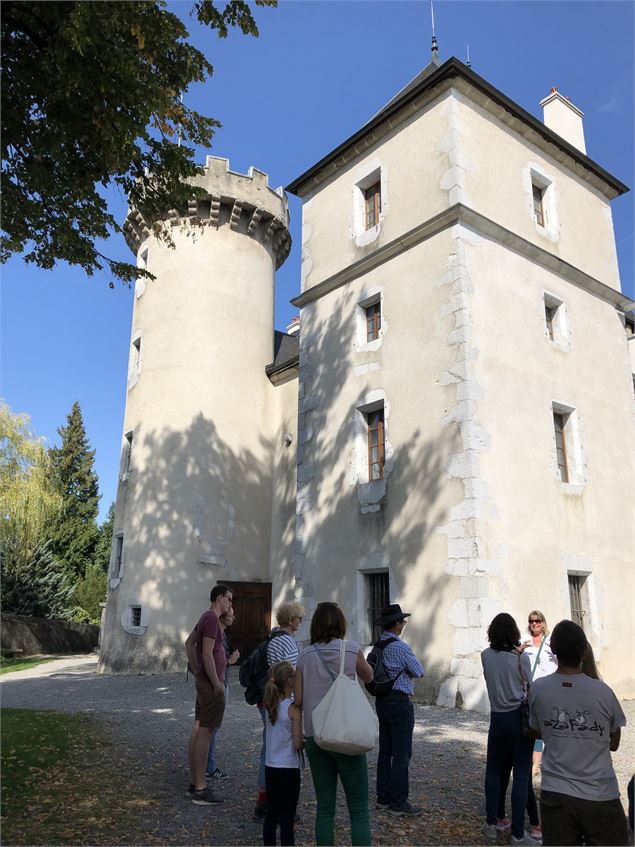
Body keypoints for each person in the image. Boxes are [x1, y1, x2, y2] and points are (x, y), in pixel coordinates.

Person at [528, 620, 628, 847]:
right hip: (600, 792)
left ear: (553, 650)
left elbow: (537, 729)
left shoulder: (539, 689)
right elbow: (614, 743)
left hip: (556, 792)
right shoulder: (603, 692)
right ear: (584, 651)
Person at [295, 601, 373, 846]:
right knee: (358, 810)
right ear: (341, 624)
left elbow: (298, 698)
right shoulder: (351, 650)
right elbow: (369, 676)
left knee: (325, 808)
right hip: (347, 734)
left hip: (316, 736)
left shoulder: (305, 655)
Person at [481, 613, 537, 846]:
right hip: (518, 717)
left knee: (493, 770)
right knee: (521, 775)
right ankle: (518, 833)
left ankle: (491, 823)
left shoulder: (485, 656)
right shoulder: (521, 659)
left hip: (497, 717)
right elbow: (531, 688)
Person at [254, 600, 305, 820]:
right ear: (291, 620)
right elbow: (291, 673)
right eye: (299, 618)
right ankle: (279, 802)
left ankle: (264, 798)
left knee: (269, 746)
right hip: (284, 699)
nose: (300, 622)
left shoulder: (273, 638)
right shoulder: (288, 642)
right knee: (285, 748)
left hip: (270, 697)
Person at [373, 603, 425, 817]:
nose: (403, 625)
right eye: (402, 622)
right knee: (402, 753)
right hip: (399, 701)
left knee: (385, 750)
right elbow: (419, 671)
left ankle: (383, 797)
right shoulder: (401, 647)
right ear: (396, 625)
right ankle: (398, 803)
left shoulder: (378, 645)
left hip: (382, 700)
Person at [186, 583, 233, 805]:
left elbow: (189, 643)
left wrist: (197, 671)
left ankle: (194, 783)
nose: (230, 603)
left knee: (198, 730)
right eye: (229, 599)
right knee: (206, 733)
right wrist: (216, 684)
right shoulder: (212, 619)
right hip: (211, 685)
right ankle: (201, 788)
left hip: (204, 683)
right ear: (219, 598)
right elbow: (206, 654)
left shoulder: (205, 617)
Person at [262, 661, 303, 846]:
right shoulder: (293, 709)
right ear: (289, 681)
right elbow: (297, 744)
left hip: (271, 765)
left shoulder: (270, 704)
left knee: (271, 814)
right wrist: (304, 741)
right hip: (288, 767)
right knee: (287, 819)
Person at [206, 605, 240, 780]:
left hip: (221, 683)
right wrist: (229, 661)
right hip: (218, 684)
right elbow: (211, 659)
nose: (234, 618)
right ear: (222, 618)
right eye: (231, 615)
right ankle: (209, 768)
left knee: (213, 727)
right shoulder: (217, 635)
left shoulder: (222, 635)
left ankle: (208, 766)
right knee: (213, 727)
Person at [521, 611, 557, 778]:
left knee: (549, 725)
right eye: (531, 621)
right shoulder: (524, 640)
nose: (534, 623)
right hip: (530, 690)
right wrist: (519, 650)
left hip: (549, 690)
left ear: (543, 622)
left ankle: (548, 760)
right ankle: (535, 763)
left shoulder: (551, 642)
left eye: (537, 620)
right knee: (534, 726)